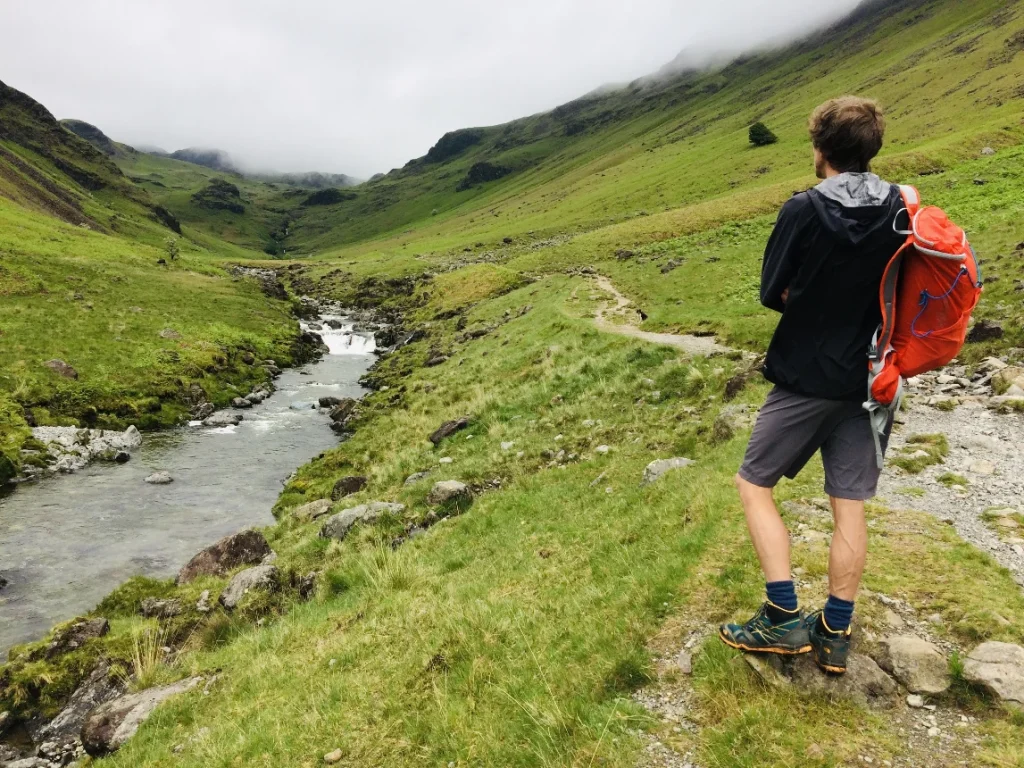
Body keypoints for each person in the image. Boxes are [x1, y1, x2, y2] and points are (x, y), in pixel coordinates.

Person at [719, 96, 907, 674]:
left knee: (755, 485)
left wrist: (807, 299)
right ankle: (834, 632)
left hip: (805, 375)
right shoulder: (902, 205)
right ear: (871, 149)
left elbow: (770, 292)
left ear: (820, 149)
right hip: (870, 377)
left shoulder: (803, 209)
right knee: (849, 506)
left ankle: (780, 616)